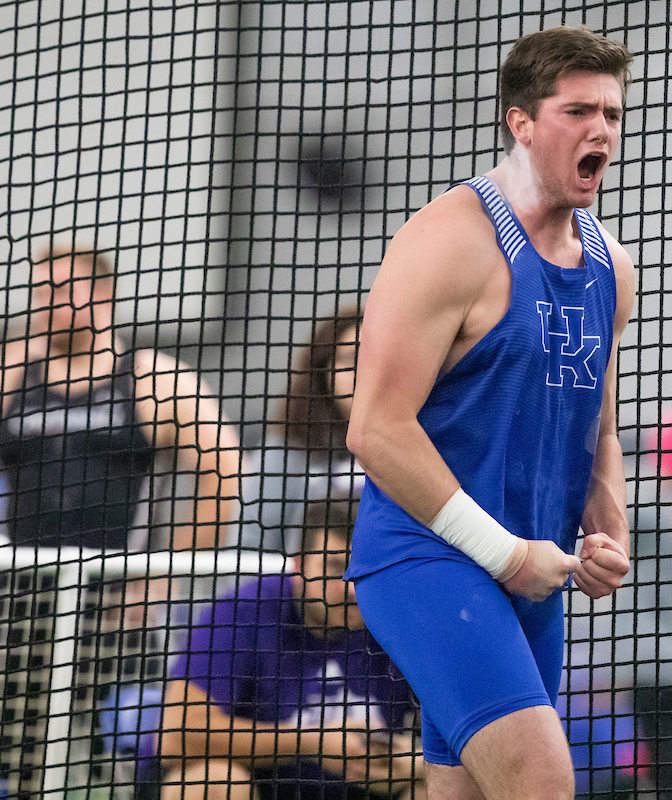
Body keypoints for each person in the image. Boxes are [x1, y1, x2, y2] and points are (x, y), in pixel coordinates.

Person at [343, 26, 637, 800]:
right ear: (522, 122)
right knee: (541, 784)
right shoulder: (449, 242)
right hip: (427, 559)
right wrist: (504, 553)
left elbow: (597, 427)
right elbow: (374, 429)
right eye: (579, 110)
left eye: (611, 112)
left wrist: (609, 529)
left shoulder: (613, 266)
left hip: (532, 577)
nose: (602, 130)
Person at [157, 497, 425, 800]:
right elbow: (175, 737)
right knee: (211, 782)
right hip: (266, 790)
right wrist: (314, 742)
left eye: (365, 571)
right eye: (336, 567)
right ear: (299, 565)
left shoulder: (398, 621)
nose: (351, 588)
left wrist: (417, 764)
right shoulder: (244, 612)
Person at [0, 241, 241, 551]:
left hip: (117, 588)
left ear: (104, 296)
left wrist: (162, 574)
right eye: (40, 295)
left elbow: (227, 474)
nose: (44, 306)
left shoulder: (157, 381)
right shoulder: (10, 378)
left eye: (60, 292)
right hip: (21, 589)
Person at [241, 306, 364, 554]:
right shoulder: (283, 458)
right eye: (353, 359)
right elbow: (248, 555)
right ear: (324, 369)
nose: (365, 371)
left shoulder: (425, 447)